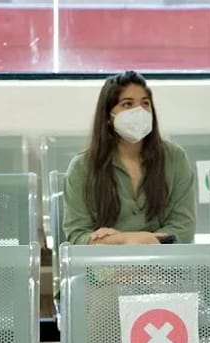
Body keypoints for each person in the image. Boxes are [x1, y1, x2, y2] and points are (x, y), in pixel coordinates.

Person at [63, 71, 196, 245]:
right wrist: (125, 241)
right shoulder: (82, 167)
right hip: (105, 266)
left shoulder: (175, 158)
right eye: (127, 104)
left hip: (163, 265)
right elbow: (77, 234)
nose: (139, 111)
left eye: (145, 104)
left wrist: (141, 243)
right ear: (108, 116)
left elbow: (183, 226)